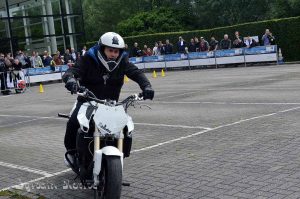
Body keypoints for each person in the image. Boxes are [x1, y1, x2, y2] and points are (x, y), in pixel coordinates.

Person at [62, 32, 154, 164]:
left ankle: (117, 156)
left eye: (116, 51)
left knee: (125, 128)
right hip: (88, 101)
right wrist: (70, 80)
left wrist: (147, 87)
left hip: (111, 105)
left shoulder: (122, 61)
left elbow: (136, 72)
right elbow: (72, 71)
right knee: (73, 122)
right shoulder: (89, 59)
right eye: (110, 50)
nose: (113, 54)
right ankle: (71, 153)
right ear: (102, 49)